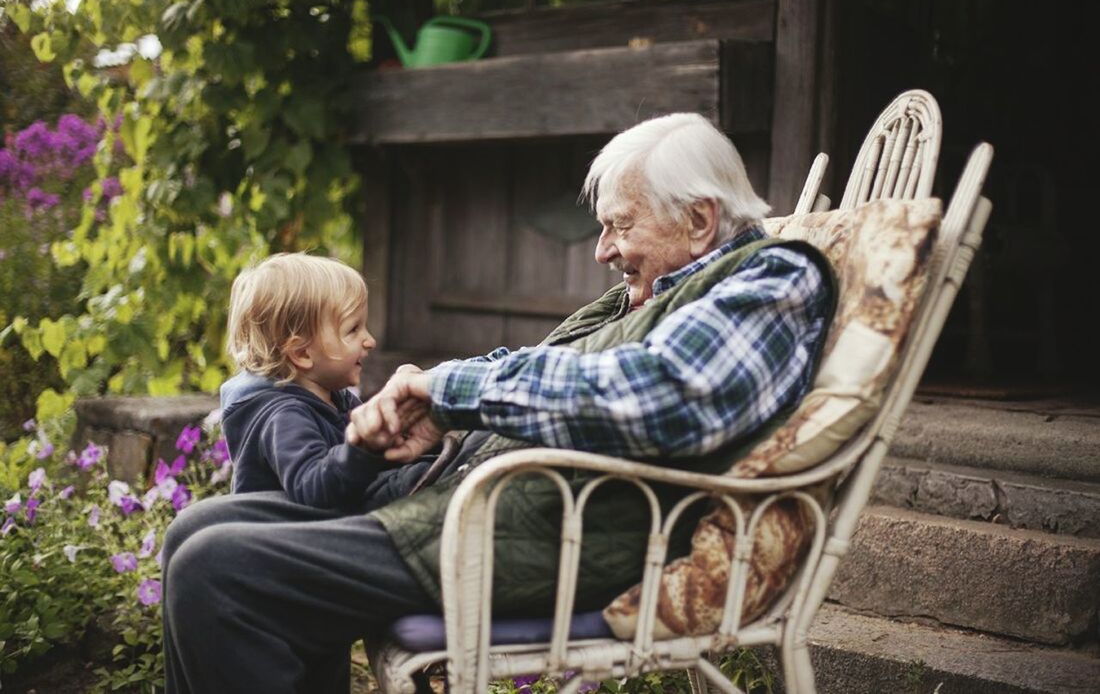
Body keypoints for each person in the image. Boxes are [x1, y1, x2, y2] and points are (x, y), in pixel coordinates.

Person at [162, 112, 836, 693]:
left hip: (561, 529)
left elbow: (666, 396)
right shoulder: (654, 295)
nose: (603, 250)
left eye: (619, 226)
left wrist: (448, 392)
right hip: (497, 505)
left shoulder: (773, 280)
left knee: (215, 574)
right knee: (191, 533)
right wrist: (434, 409)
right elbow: (537, 366)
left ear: (698, 218)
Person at [218, 252, 403, 510]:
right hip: (284, 542)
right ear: (302, 353)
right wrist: (364, 450)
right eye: (353, 329)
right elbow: (313, 487)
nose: (370, 341)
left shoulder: (335, 397)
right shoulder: (284, 416)